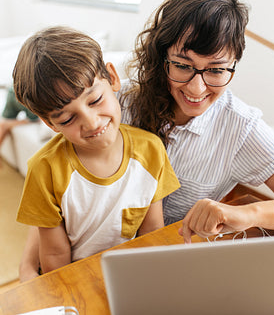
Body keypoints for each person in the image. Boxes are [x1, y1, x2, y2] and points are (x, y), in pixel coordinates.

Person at [19, 0, 274, 281]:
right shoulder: (114, 105)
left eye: (216, 70)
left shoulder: (239, 127)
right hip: (86, 264)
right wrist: (28, 264)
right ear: (162, 57)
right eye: (183, 66)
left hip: (160, 268)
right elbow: (61, 188)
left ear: (234, 64)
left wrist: (247, 213)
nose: (197, 88)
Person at [12, 26, 180, 276]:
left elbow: (152, 234)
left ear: (112, 77)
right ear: (50, 124)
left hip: (134, 274)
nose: (91, 122)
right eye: (68, 119)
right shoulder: (44, 169)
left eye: (94, 100)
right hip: (76, 278)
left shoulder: (151, 150)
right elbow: (54, 255)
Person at [0, 87, 38, 168]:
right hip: (25, 95)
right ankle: (7, 124)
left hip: (12, 91)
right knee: (35, 118)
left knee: (7, 120)